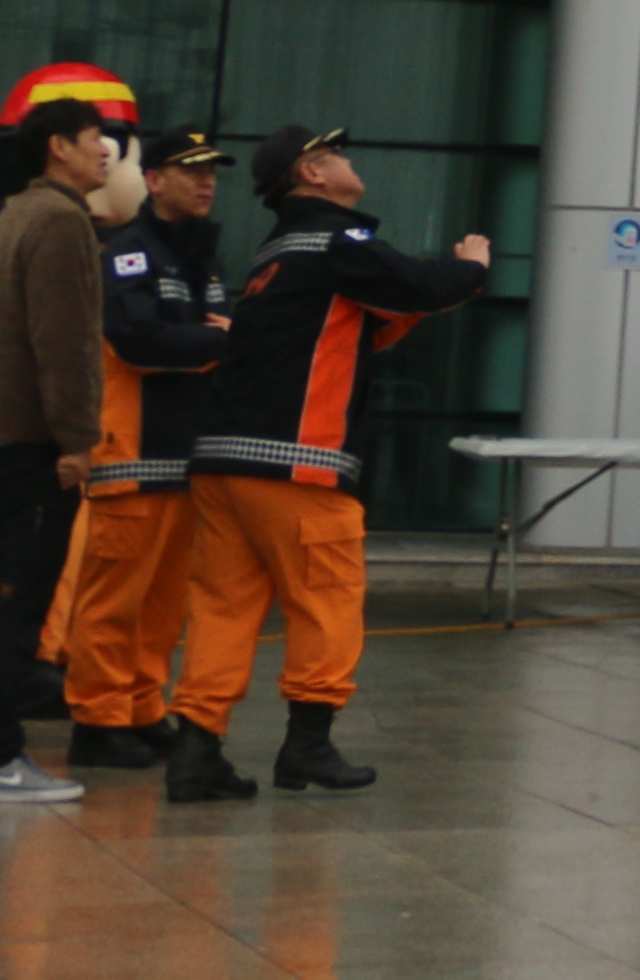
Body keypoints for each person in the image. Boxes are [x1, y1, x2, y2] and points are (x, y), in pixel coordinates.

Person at [169, 123, 493, 802]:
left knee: (224, 609)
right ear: (312, 173)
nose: (349, 162)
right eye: (336, 154)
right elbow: (420, 284)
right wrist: (472, 268)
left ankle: (197, 750)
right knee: (328, 599)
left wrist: (418, 304)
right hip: (296, 461)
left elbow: (359, 328)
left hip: (224, 460)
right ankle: (308, 745)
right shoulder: (335, 240)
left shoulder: (278, 251)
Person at [0, 71, 129, 806]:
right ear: (57, 147)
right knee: (11, 604)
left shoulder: (12, 214)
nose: (106, 151)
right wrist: (77, 441)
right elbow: (64, 343)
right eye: (94, 137)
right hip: (30, 443)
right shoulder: (60, 221)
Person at [51, 125, 234, 765]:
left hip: (186, 452)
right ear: (153, 181)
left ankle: (140, 705)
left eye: (211, 172)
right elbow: (139, 341)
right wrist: (221, 342)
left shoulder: (203, 257)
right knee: (113, 599)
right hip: (132, 450)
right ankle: (97, 719)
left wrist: (216, 340)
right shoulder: (129, 253)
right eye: (192, 171)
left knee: (163, 601)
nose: (207, 182)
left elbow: (196, 334)